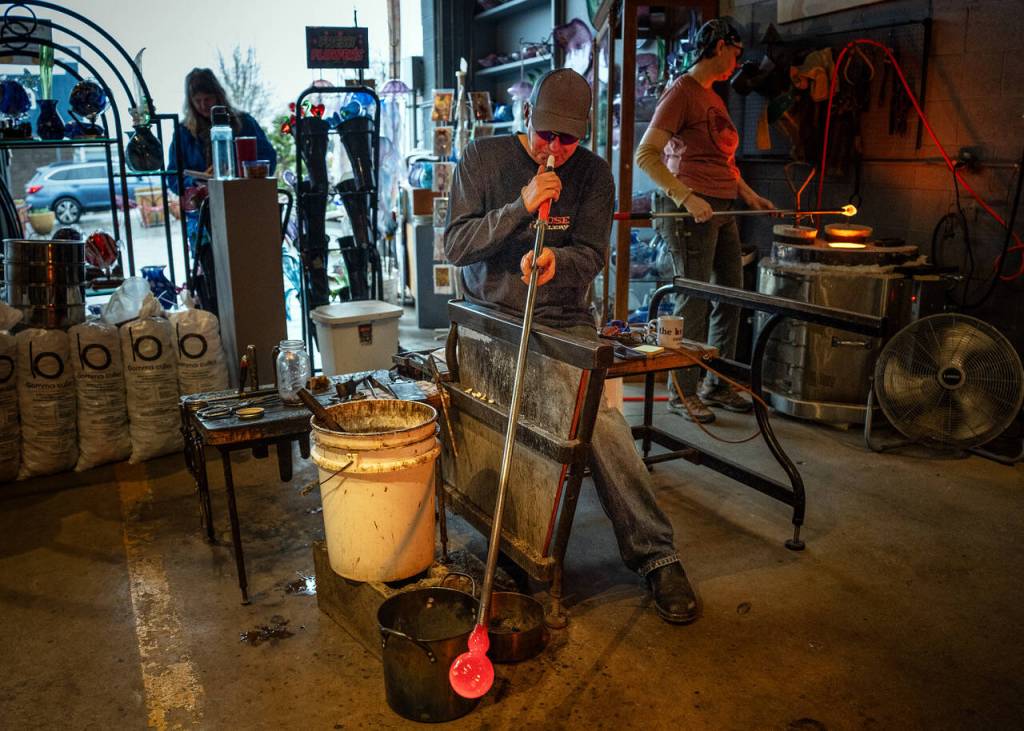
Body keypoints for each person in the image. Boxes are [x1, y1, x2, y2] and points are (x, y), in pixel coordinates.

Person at [445, 68, 699, 625]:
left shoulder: (596, 175)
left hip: (563, 322)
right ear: (528, 118)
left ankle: (657, 556)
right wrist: (521, 204)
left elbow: (592, 254)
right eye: (544, 136)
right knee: (504, 426)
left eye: (567, 140)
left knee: (601, 426)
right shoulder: (481, 161)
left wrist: (559, 263)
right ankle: (511, 541)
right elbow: (456, 246)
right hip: (492, 320)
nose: (553, 150)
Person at [636, 19, 775, 423]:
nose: (738, 60)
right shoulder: (682, 92)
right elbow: (645, 155)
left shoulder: (714, 96)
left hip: (721, 208)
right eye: (734, 51)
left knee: (732, 294)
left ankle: (718, 382)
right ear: (718, 46)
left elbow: (723, 162)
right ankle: (683, 391)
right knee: (693, 299)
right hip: (689, 210)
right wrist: (687, 197)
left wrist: (749, 195)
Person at [167, 68, 276, 194]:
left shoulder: (244, 123)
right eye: (197, 101)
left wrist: (238, 172)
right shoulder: (183, 132)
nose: (203, 105)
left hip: (243, 198)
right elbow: (173, 177)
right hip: (201, 208)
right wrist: (194, 182)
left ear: (218, 97)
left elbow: (268, 159)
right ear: (190, 102)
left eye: (207, 99)